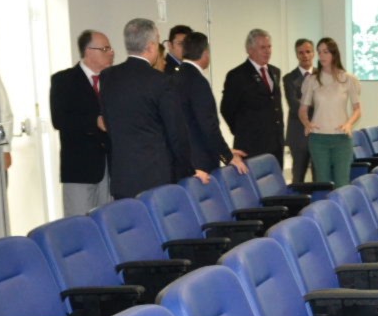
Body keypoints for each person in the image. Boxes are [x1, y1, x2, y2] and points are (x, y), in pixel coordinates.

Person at [100, 18, 206, 199]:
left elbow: (108, 122)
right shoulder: (162, 82)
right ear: (150, 46)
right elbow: (176, 133)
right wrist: (188, 170)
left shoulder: (107, 76)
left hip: (122, 177)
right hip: (156, 180)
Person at [49, 29, 113, 215]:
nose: (111, 52)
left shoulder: (113, 80)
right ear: (89, 52)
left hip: (110, 166)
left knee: (107, 219)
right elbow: (59, 119)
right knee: (79, 222)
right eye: (105, 49)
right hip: (80, 166)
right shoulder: (64, 80)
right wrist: (94, 121)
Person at [176, 31, 247, 175]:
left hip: (183, 160)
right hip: (202, 161)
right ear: (205, 53)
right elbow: (208, 125)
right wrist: (227, 156)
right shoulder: (198, 82)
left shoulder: (174, 78)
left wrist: (226, 150)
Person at [299, 37, 361, 188]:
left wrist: (349, 124)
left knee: (342, 183)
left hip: (341, 138)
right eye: (319, 52)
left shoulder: (348, 79)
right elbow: (302, 109)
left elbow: (357, 109)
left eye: (325, 52)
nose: (321, 56)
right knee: (323, 183)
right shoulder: (312, 80)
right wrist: (307, 123)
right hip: (318, 139)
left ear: (334, 54)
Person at [220, 28, 284, 163]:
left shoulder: (275, 72)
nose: (267, 51)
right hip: (251, 145)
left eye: (269, 47)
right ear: (250, 50)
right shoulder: (237, 75)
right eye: (262, 47)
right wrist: (242, 131)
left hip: (276, 144)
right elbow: (227, 109)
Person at [282, 39, 316, 182]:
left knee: (320, 177)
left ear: (313, 53)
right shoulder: (289, 78)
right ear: (296, 55)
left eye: (308, 52)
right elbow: (294, 105)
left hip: (320, 133)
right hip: (298, 134)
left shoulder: (323, 76)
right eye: (301, 53)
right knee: (298, 177)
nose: (305, 55)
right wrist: (317, 105)